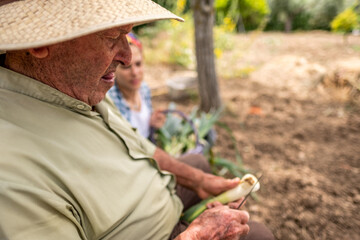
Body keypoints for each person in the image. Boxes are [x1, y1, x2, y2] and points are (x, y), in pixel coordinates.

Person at [0, 0, 274, 240]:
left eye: (127, 35)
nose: (128, 57)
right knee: (260, 235)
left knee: (198, 164)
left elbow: (138, 146)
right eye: (111, 37)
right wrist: (196, 235)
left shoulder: (78, 83)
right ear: (42, 43)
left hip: (157, 197)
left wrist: (199, 181)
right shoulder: (10, 172)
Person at [108, 32, 165, 139]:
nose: (134, 72)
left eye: (138, 64)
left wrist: (151, 122)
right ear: (114, 69)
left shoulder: (144, 89)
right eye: (126, 67)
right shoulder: (109, 100)